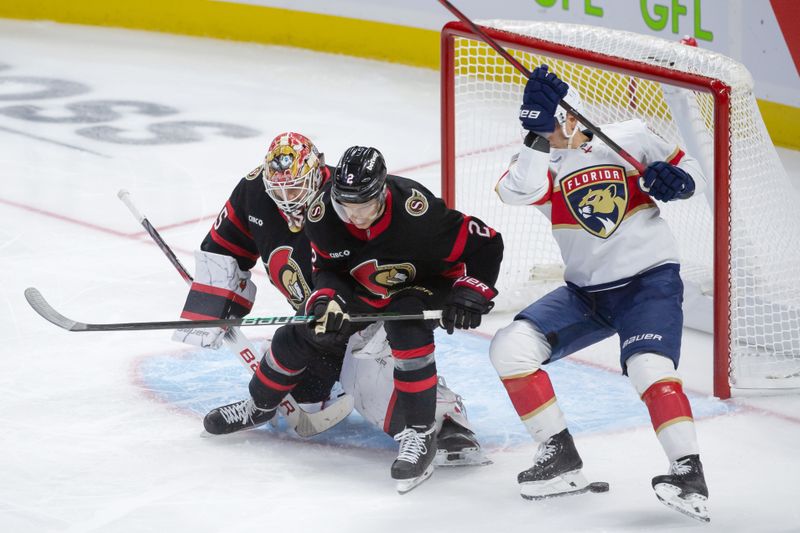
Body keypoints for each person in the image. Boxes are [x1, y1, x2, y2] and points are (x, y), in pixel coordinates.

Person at [202, 144, 503, 493]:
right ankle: (258, 405)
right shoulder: (323, 215)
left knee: (405, 324)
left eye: (366, 207)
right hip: (370, 288)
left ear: (383, 192)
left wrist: (472, 291)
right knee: (302, 333)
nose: (356, 216)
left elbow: (486, 244)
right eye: (348, 207)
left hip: (423, 285)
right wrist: (327, 302)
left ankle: (420, 433)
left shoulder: (416, 211)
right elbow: (329, 269)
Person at [490, 65, 709, 522]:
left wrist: (676, 180)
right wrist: (535, 132)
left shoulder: (629, 136)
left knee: (649, 367)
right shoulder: (539, 161)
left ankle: (688, 473)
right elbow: (516, 192)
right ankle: (560, 456)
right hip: (587, 294)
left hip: (648, 281)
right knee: (510, 348)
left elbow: (690, 169)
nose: (548, 134)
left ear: (572, 118)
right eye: (540, 126)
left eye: (553, 124)